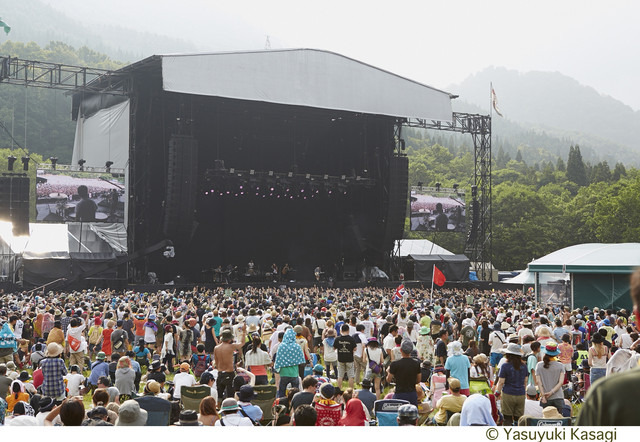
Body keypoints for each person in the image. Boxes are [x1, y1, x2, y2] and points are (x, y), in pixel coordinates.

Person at [576, 268, 640, 425]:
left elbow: (592, 362)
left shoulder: (608, 395)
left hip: (597, 371)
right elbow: (611, 355)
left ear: (636, 318)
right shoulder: (606, 346)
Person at [494, 343, 528, 426]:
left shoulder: (505, 366)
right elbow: (525, 382)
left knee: (507, 418)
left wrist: (497, 393)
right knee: (519, 419)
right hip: (520, 394)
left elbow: (501, 382)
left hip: (508, 393)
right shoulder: (524, 366)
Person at [214, 329, 246, 400]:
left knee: (219, 396)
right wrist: (243, 332)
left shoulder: (216, 348)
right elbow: (242, 343)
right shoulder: (231, 346)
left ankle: (218, 408)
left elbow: (216, 362)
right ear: (229, 339)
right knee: (231, 396)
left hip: (220, 373)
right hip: (229, 373)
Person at [534, 342, 565, 414]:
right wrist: (551, 392)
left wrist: (543, 395)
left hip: (545, 397)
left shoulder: (539, 365)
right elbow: (560, 382)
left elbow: (538, 382)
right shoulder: (560, 365)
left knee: (546, 420)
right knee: (558, 420)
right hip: (558, 396)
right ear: (556, 354)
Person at [387, 340, 421, 405]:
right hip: (412, 394)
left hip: (399, 393)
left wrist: (388, 371)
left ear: (401, 350)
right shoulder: (416, 363)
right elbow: (418, 380)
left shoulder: (394, 364)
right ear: (411, 351)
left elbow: (388, 380)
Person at [274, 328, 306, 398]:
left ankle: (282, 404)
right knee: (295, 392)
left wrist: (277, 369)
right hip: (294, 373)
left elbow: (278, 359)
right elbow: (301, 359)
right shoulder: (297, 346)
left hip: (284, 373)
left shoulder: (281, 346)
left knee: (282, 391)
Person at [334, 323, 357, 389]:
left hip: (341, 358)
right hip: (349, 358)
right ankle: (350, 390)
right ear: (348, 330)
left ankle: (339, 389)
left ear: (341, 330)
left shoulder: (337, 339)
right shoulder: (351, 339)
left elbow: (334, 348)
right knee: (350, 376)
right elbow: (355, 348)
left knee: (340, 375)